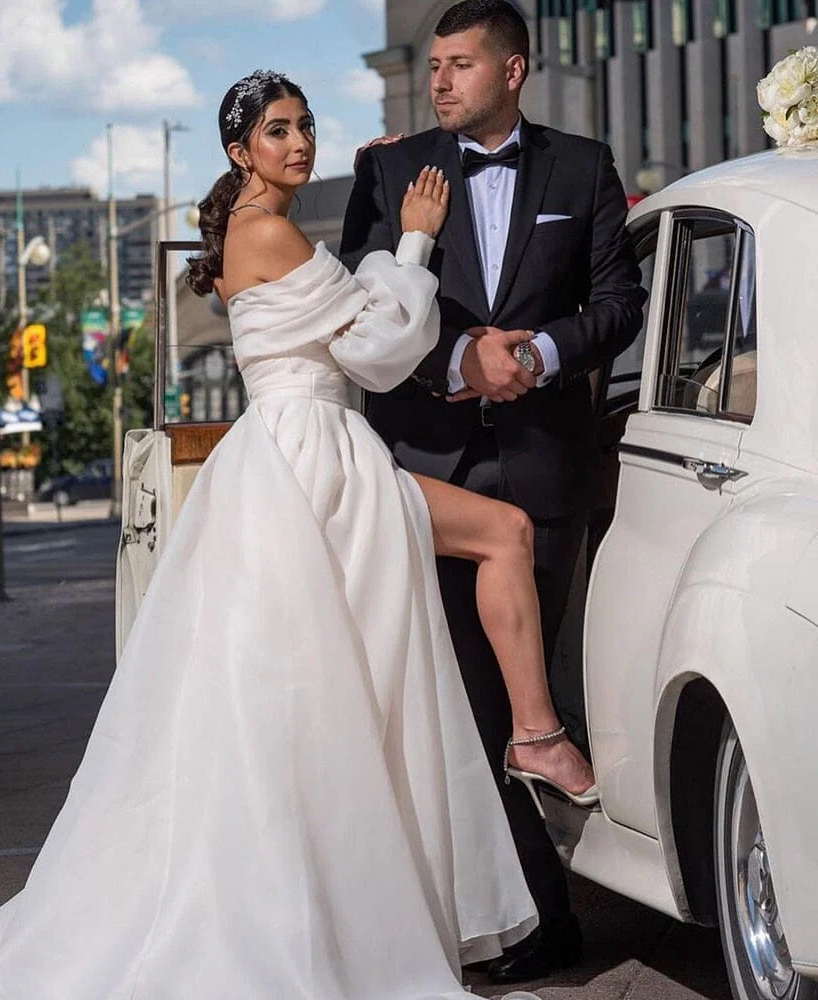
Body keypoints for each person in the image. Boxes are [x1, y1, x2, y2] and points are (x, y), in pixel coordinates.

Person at [0, 70, 568, 1000]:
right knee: (356, 673)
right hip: (316, 461)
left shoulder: (253, 228)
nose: (297, 143)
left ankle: (369, 888)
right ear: (239, 151)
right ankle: (526, 748)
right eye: (276, 131)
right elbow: (378, 352)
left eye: (304, 126)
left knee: (323, 698)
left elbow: (353, 325)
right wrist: (415, 236)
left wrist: (386, 227)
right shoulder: (265, 230)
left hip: (299, 458)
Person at [340, 0, 647, 984]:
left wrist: (544, 352)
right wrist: (462, 359)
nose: (439, 81)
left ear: (512, 71)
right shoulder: (386, 170)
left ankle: (552, 893)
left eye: (460, 64)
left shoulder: (580, 166)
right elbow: (358, 302)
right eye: (433, 63)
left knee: (531, 699)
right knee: (467, 709)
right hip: (428, 469)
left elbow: (618, 304)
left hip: (541, 466)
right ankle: (538, 923)